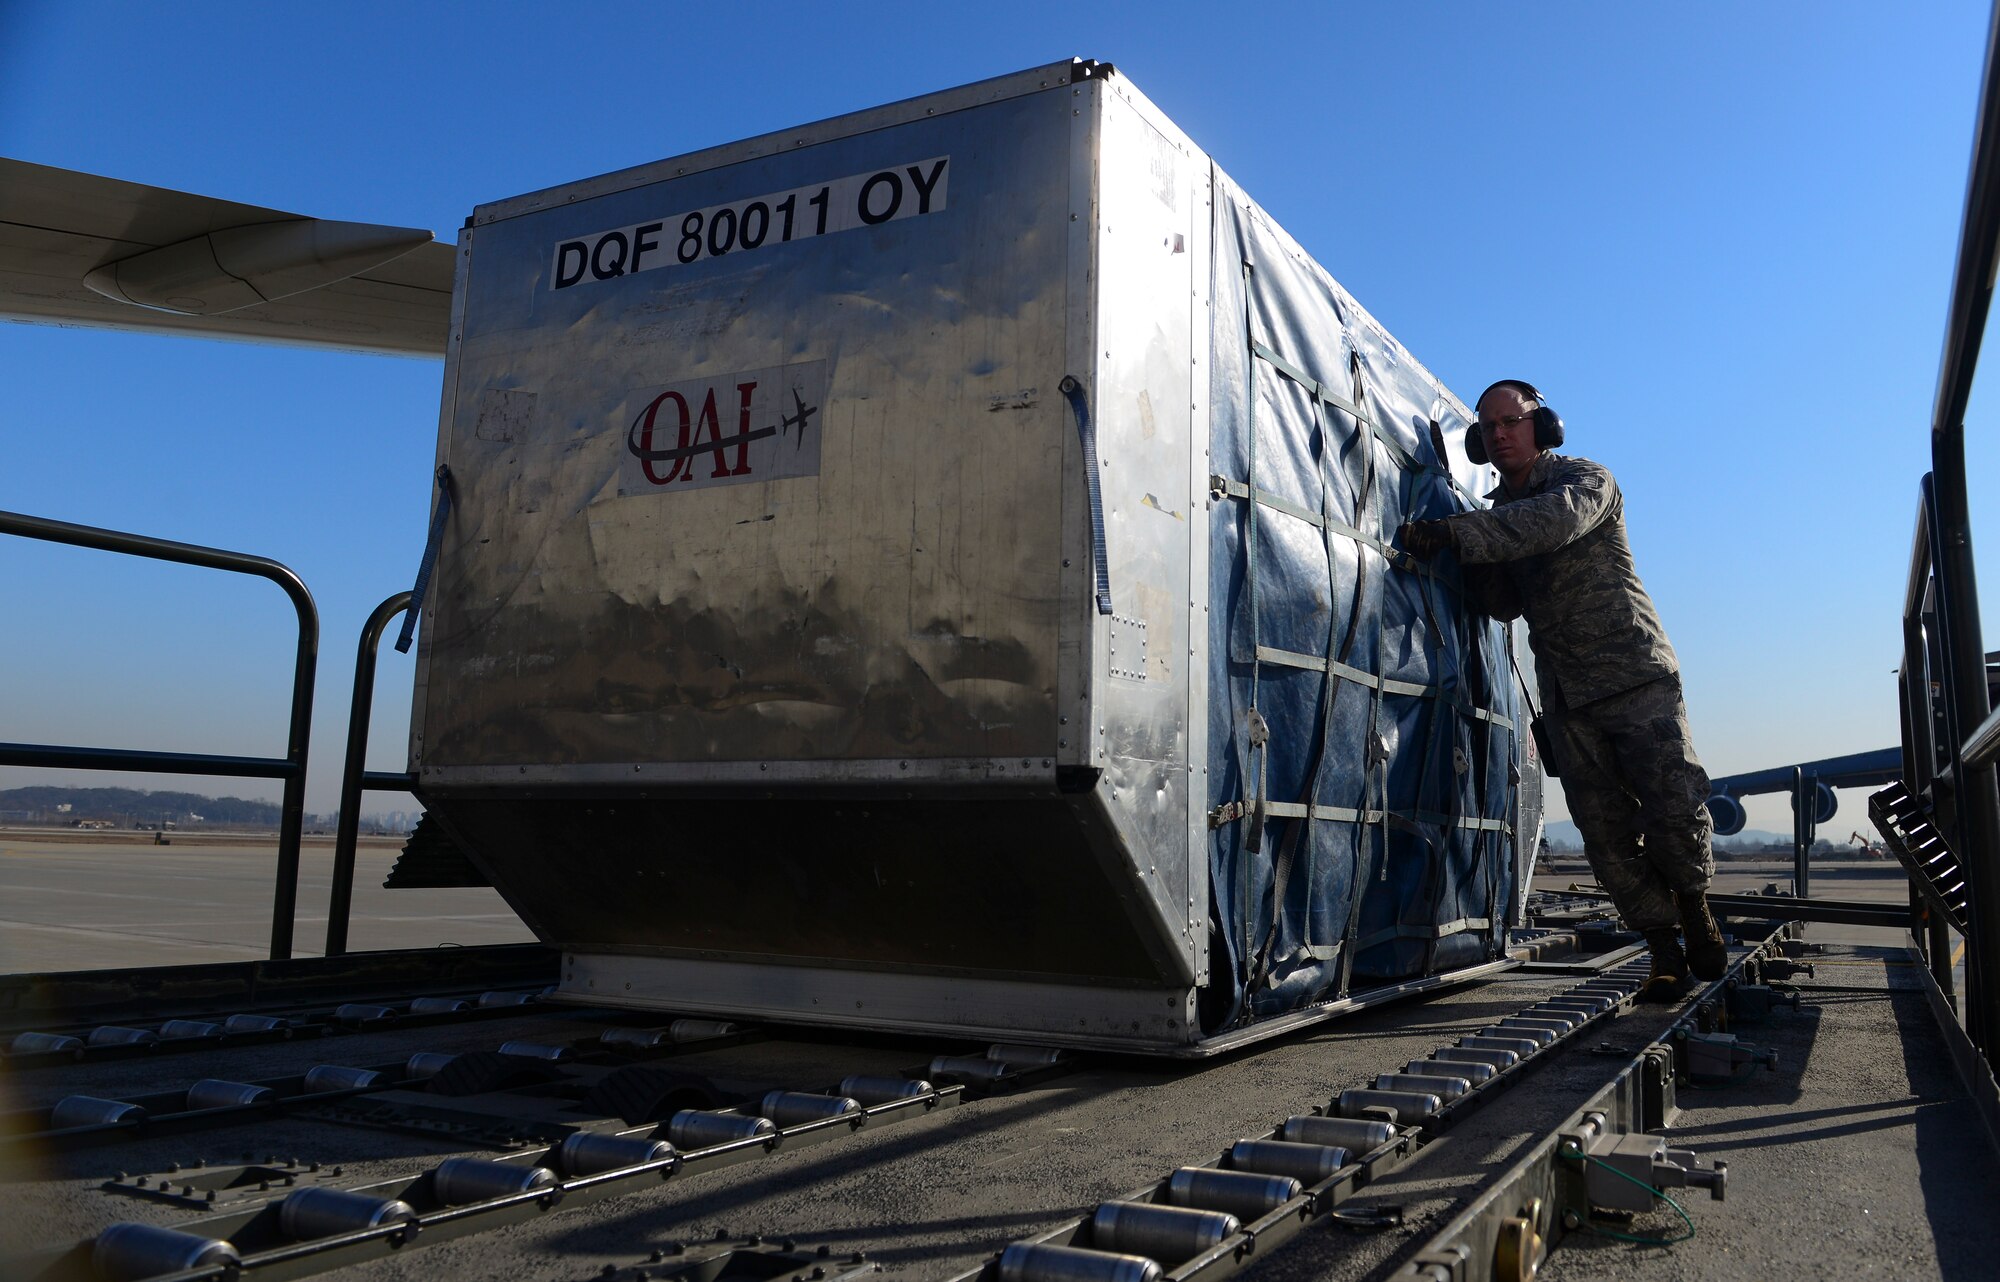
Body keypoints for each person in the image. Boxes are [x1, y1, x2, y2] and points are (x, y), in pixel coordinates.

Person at [1399, 379, 1725, 1000]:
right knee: (1605, 833)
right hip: (1568, 698)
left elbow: (1552, 524)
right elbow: (1503, 605)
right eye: (1488, 428)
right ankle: (1662, 949)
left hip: (1635, 675)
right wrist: (1462, 559)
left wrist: (1456, 533)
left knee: (1675, 808)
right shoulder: (1496, 520)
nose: (1499, 435)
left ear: (1542, 427)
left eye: (1511, 422)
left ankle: (1694, 904)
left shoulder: (1585, 481)